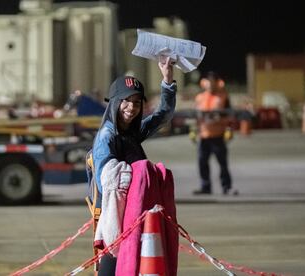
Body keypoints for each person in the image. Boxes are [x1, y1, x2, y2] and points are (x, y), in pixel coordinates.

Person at [92, 56, 176, 275]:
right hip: (117, 219)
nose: (131, 107)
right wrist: (138, 174)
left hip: (136, 214)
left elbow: (163, 115)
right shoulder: (107, 136)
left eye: (137, 102)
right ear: (114, 102)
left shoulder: (131, 132)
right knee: (114, 268)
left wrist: (167, 80)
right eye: (126, 101)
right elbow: (105, 181)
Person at [193, 71, 233, 195]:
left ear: (217, 83)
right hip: (203, 136)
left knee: (222, 164)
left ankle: (226, 186)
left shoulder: (223, 97)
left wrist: (227, 127)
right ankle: (205, 187)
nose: (210, 84)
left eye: (212, 81)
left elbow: (230, 114)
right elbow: (195, 116)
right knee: (202, 162)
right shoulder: (200, 97)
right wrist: (193, 131)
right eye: (208, 81)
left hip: (218, 136)